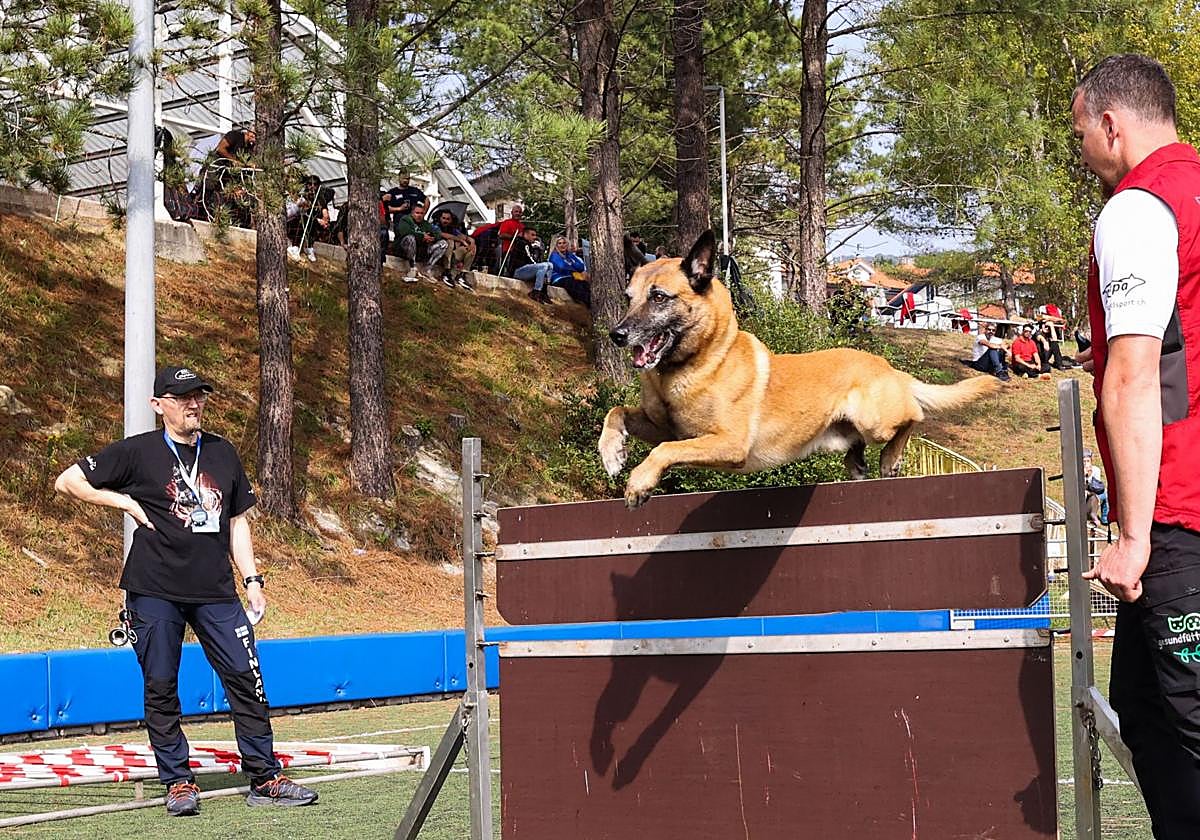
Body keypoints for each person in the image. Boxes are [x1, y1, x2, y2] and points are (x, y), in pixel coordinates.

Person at [53, 366, 318, 817]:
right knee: (161, 685)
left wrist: (252, 580)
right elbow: (68, 481)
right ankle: (177, 781)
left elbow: (237, 522)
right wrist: (126, 502)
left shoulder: (222, 452)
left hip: (216, 591)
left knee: (246, 679)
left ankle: (265, 777)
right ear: (159, 405)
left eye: (198, 396)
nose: (193, 404)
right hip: (154, 589)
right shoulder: (137, 452)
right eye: (181, 397)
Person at [1073, 54, 1200, 839]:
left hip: (1178, 516)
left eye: (1081, 132)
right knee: (1147, 719)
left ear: (1112, 125)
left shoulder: (1137, 207)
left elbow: (1131, 376)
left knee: (1187, 727)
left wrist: (1132, 538)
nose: (1082, 149)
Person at [395, 204, 446, 282]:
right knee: (410, 238)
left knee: (443, 243)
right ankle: (412, 268)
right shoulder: (405, 220)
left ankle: (427, 269)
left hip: (421, 250)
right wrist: (422, 236)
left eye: (422, 213)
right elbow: (405, 232)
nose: (419, 215)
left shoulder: (425, 223)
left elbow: (437, 234)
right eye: (417, 213)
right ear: (412, 213)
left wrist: (431, 238)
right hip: (405, 248)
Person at [384, 174, 428, 254]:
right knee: (404, 238)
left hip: (414, 220)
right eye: (403, 178)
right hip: (400, 220)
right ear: (399, 178)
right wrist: (399, 208)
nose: (405, 181)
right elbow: (386, 208)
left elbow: (427, 200)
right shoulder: (393, 192)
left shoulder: (414, 191)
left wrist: (422, 213)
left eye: (407, 179)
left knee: (418, 238)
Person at [433, 209, 477, 290]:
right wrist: (461, 240)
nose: (445, 221)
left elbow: (465, 237)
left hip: (451, 256)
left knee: (470, 249)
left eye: (448, 219)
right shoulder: (435, 226)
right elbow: (443, 235)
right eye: (444, 218)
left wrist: (472, 242)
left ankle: (462, 275)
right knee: (450, 242)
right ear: (440, 218)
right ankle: (446, 272)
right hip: (438, 255)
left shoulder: (452, 229)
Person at [506, 227, 553, 299]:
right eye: (532, 235)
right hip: (518, 271)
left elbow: (535, 261)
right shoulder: (522, 243)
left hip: (527, 269)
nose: (535, 237)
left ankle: (544, 291)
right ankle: (536, 292)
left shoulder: (530, 246)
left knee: (550, 265)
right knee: (544, 266)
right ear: (526, 235)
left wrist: (538, 250)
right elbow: (531, 260)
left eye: (535, 235)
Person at [548, 235, 591, 307]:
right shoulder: (554, 255)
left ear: (567, 244)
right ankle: (589, 303)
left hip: (572, 277)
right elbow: (561, 267)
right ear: (556, 245)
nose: (562, 245)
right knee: (575, 286)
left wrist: (572, 265)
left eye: (564, 243)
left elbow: (581, 267)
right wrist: (573, 267)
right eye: (559, 243)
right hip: (559, 278)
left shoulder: (570, 255)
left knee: (585, 285)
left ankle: (593, 302)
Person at [1083, 447, 1110, 526]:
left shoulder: (1096, 470)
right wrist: (1084, 476)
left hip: (1094, 492)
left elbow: (1097, 486)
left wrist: (1089, 476)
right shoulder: (1078, 471)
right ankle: (1092, 514)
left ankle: (1105, 518)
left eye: (1088, 461)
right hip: (1084, 493)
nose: (1086, 463)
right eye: (1084, 461)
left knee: (1105, 494)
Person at [496, 205, 526, 273]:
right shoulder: (507, 222)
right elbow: (501, 235)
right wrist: (515, 237)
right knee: (507, 270)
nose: (518, 213)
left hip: (520, 252)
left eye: (520, 212)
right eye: (516, 211)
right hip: (508, 250)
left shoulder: (522, 226)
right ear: (512, 213)